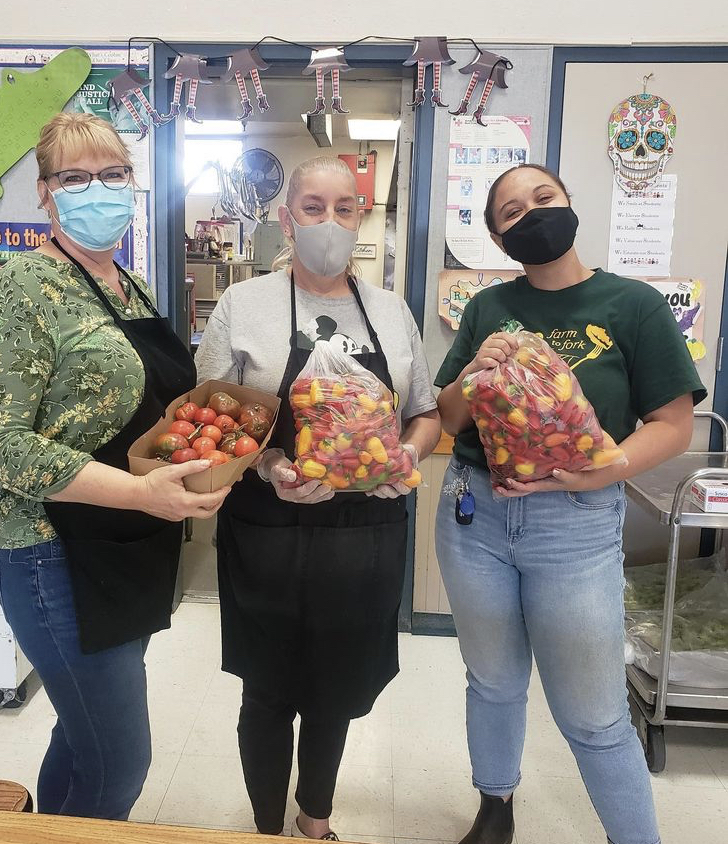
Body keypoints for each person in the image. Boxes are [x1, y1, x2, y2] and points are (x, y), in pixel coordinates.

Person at [0, 113, 230, 820]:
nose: (97, 190)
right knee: (118, 764)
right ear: (46, 194)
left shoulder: (126, 288)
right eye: (75, 178)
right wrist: (139, 492)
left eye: (112, 174)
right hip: (54, 554)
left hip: (125, 547)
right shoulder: (17, 287)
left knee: (80, 738)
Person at [434, 163, 705, 844]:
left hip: (577, 526)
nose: (532, 215)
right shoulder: (487, 308)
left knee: (593, 713)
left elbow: (672, 424)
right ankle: (495, 806)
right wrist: (473, 368)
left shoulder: (632, 305)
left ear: (569, 204)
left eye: (543, 199)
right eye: (512, 212)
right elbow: (450, 417)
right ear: (500, 239)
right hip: (476, 517)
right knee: (492, 679)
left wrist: (600, 473)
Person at [196, 156, 440, 839]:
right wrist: (269, 462)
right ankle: (268, 828)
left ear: (360, 218)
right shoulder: (245, 306)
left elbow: (423, 412)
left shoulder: (391, 312)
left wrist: (406, 454)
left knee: (336, 690)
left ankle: (315, 820)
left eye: (344, 207)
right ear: (286, 216)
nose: (328, 221)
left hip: (365, 533)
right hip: (268, 529)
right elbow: (210, 418)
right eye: (312, 207)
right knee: (268, 690)